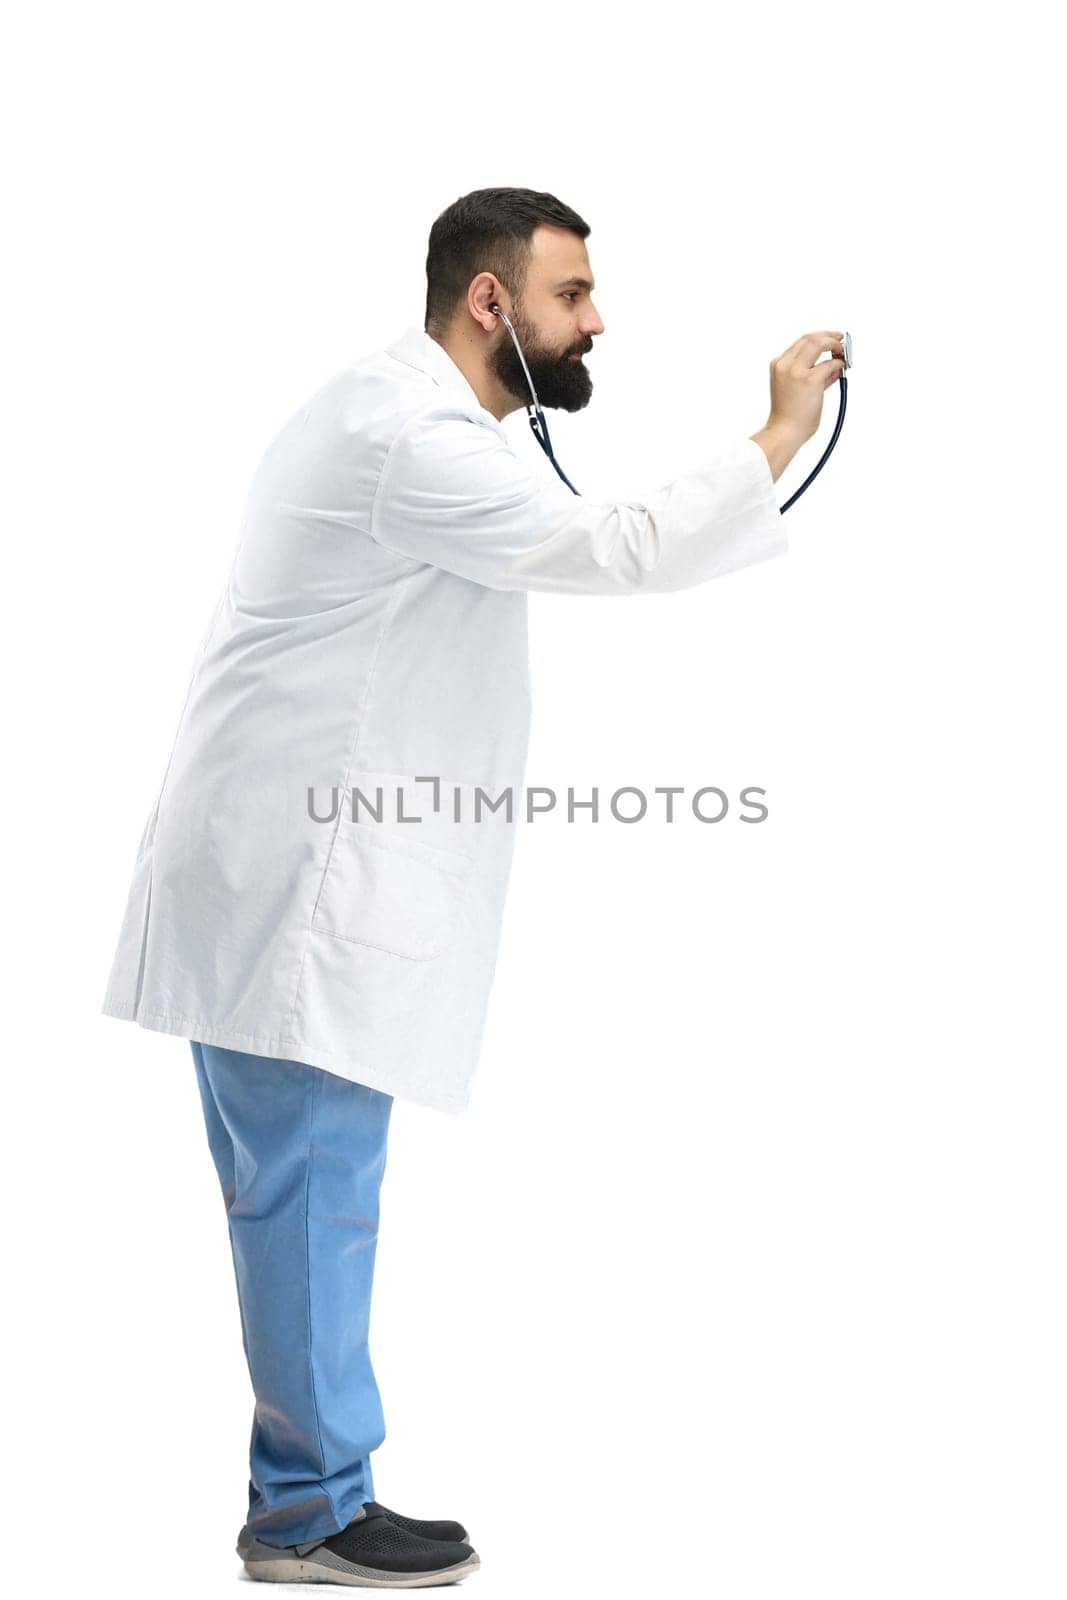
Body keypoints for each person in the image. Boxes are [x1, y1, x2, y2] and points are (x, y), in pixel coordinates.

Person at [101, 185, 845, 1587]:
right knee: (314, 1193)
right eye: (574, 295)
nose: (598, 319)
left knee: (302, 1193)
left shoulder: (405, 417)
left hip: (289, 864)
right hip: (294, 888)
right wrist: (776, 437)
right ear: (492, 304)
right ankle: (308, 1515)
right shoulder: (409, 436)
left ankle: (309, 1494)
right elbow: (613, 549)